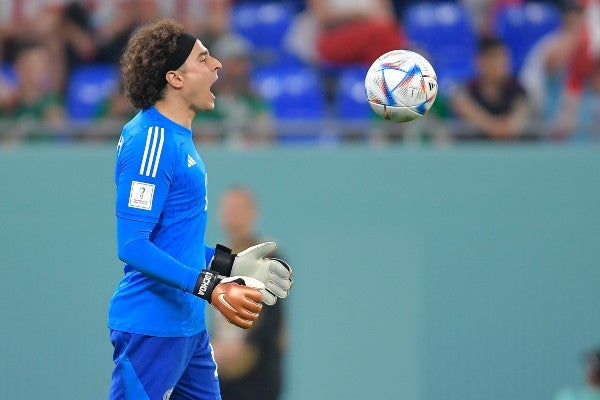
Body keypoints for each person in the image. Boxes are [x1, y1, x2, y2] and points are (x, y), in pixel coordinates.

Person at [108, 19, 293, 400]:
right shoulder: (151, 141)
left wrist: (231, 265)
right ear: (175, 78)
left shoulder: (176, 139)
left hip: (188, 327)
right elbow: (133, 245)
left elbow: (175, 241)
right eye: (204, 58)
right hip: (153, 327)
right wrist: (208, 286)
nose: (218, 66)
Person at [211, 187, 287, 400]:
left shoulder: (270, 259)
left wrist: (245, 347)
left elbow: (273, 318)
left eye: (239, 208)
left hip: (258, 376)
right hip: (221, 372)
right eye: (228, 208)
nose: (232, 214)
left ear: (254, 213)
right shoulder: (217, 259)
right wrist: (214, 346)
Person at [450, 36, 532, 140]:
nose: (502, 64)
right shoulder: (468, 88)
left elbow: (523, 109)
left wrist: (511, 124)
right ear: (480, 61)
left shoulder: (516, 88)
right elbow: (462, 105)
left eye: (504, 59)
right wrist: (490, 125)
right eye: (495, 59)